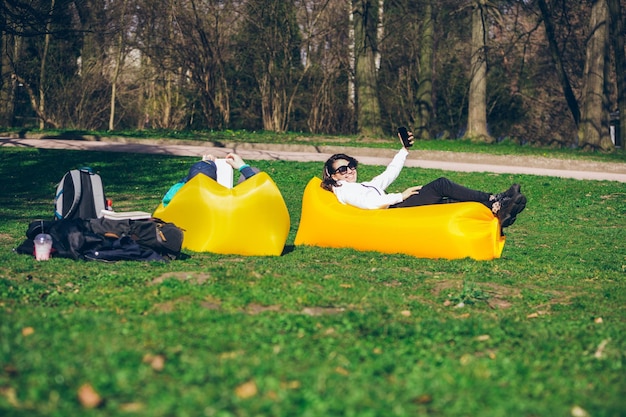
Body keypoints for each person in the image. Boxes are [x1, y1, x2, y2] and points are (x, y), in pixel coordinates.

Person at [321, 131, 526, 229]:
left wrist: (404, 150)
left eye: (351, 166)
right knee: (441, 185)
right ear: (332, 175)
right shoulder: (343, 189)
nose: (349, 171)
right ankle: (494, 199)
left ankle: (498, 209)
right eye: (342, 169)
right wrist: (400, 196)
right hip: (390, 213)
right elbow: (368, 203)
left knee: (444, 201)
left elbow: (387, 175)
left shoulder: (362, 185)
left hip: (392, 208)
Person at [162, 153, 259, 207]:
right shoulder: (223, 199)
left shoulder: (174, 193)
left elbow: (184, 182)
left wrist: (202, 165)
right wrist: (242, 166)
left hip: (179, 235)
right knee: (255, 171)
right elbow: (257, 190)